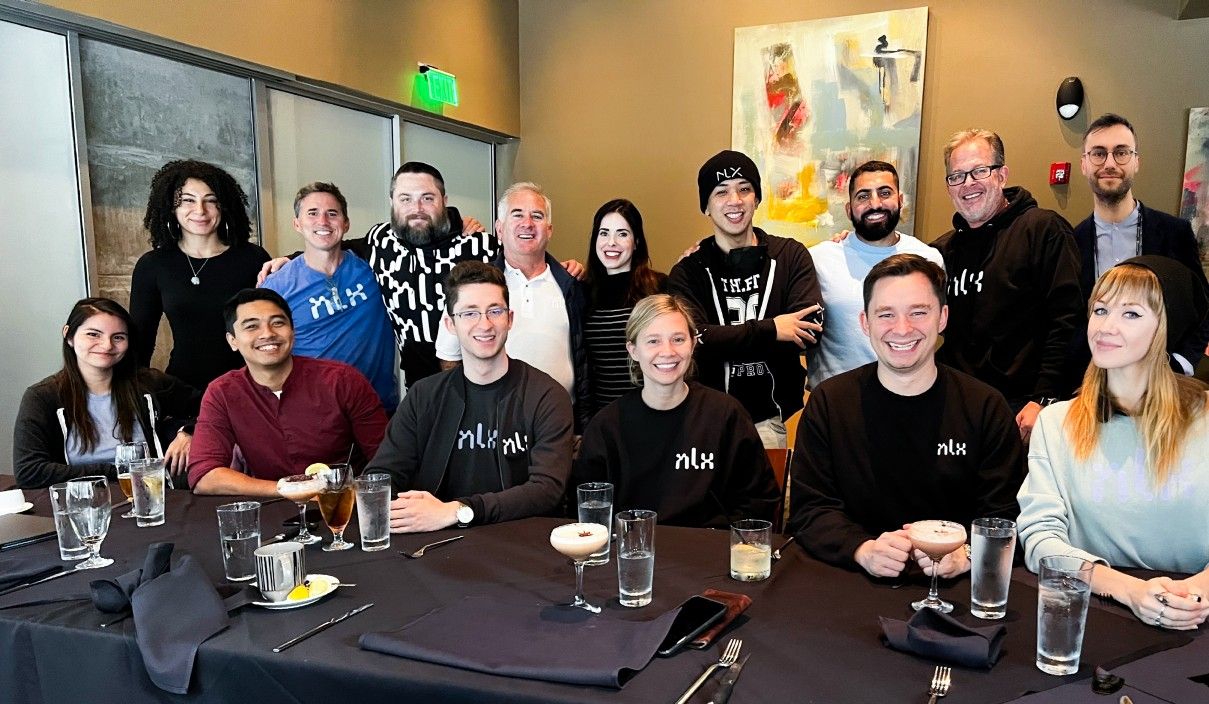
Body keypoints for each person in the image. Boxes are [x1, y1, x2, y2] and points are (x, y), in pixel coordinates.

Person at [788, 254, 1024, 579]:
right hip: (851, 580)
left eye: (918, 312)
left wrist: (967, 554)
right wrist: (863, 548)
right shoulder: (830, 403)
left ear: (942, 318)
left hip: (957, 588)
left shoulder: (985, 407)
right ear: (865, 323)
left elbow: (1006, 517)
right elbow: (810, 510)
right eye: (886, 314)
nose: (902, 329)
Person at [1017, 256, 1209, 630]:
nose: (1106, 327)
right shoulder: (1056, 424)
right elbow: (1040, 541)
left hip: (1197, 615)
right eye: (1101, 309)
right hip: (1100, 613)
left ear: (1167, 327)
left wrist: (1199, 591)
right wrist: (1128, 590)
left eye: (1131, 314)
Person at [365, 262, 573, 532]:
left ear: (509, 319)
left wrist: (457, 511)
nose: (484, 324)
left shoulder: (546, 396)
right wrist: (407, 510)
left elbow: (547, 490)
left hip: (520, 545)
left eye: (494, 311)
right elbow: (380, 478)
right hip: (433, 545)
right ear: (450, 324)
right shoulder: (423, 396)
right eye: (469, 313)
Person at [930, 129, 1084, 442]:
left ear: (1002, 175)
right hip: (956, 408)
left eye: (979, 171)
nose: (968, 183)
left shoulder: (1042, 229)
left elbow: (1067, 320)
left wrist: (1044, 398)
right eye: (956, 176)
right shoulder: (941, 252)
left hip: (1021, 411)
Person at [575, 294, 779, 528]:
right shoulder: (606, 427)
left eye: (678, 339)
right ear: (633, 350)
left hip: (709, 552)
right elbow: (590, 513)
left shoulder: (726, 415)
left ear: (693, 343)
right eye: (653, 341)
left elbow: (760, 501)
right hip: (634, 554)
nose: (667, 351)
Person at [669, 150, 824, 448]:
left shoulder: (790, 256)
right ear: (707, 206)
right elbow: (693, 339)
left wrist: (721, 338)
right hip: (703, 420)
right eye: (721, 192)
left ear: (756, 198)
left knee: (770, 496)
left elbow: (810, 330)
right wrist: (773, 329)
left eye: (744, 188)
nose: (735, 200)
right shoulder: (688, 271)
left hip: (773, 421)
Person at [187, 289, 387, 496]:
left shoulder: (342, 380)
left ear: (293, 331)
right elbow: (205, 476)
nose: (267, 333)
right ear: (232, 340)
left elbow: (386, 460)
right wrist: (290, 489)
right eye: (252, 326)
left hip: (340, 506)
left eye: (278, 323)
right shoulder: (222, 392)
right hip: (270, 509)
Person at [436, 182, 590, 428]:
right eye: (517, 214)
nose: (527, 223)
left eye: (536, 216)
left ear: (549, 230)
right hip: (491, 419)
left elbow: (584, 358)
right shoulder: (473, 285)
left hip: (559, 420)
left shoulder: (572, 285)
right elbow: (448, 356)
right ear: (499, 228)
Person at [1071, 113, 1209, 374]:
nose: (1109, 163)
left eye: (1121, 153)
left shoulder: (1174, 232)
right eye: (1098, 153)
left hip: (1161, 381)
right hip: (1087, 384)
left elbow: (1204, 307)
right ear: (1084, 164)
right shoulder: (1070, 242)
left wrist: (1183, 362)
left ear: (1136, 162)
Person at [14, 298, 200, 489]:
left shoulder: (149, 383)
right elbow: (29, 472)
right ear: (68, 335)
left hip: (152, 497)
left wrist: (189, 432)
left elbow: (211, 407)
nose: (107, 345)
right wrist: (120, 471)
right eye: (93, 334)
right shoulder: (42, 397)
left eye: (118, 337)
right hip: (81, 501)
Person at [131, 160, 271, 389]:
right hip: (183, 392)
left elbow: (273, 328)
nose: (200, 211)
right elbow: (140, 344)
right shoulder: (153, 265)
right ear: (171, 207)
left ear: (224, 207)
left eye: (211, 201)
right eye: (188, 200)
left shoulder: (253, 259)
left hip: (250, 388)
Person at [807, 160, 945, 388]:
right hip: (836, 401)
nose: (875, 203)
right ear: (849, 209)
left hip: (909, 395)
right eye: (863, 196)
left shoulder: (929, 258)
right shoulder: (819, 259)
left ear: (900, 200)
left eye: (885, 193)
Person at [260, 182, 398, 411]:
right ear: (297, 224)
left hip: (378, 409)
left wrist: (456, 224)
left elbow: (420, 239)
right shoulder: (276, 286)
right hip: (313, 415)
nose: (322, 222)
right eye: (312, 213)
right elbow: (265, 353)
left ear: (346, 224)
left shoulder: (375, 268)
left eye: (332, 214)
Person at [582, 199, 667, 416]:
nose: (611, 242)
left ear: (636, 241)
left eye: (622, 234)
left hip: (652, 413)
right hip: (601, 418)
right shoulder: (581, 291)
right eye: (604, 233)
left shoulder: (659, 287)